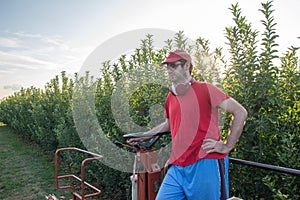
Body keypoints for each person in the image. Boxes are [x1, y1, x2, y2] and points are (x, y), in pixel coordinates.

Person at [128, 50, 247, 200]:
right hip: (178, 165)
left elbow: (240, 112)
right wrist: (144, 136)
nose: (169, 70)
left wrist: (227, 145)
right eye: (167, 67)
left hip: (205, 163)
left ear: (187, 66)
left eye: (173, 65)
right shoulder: (170, 97)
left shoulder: (205, 89)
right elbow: (169, 125)